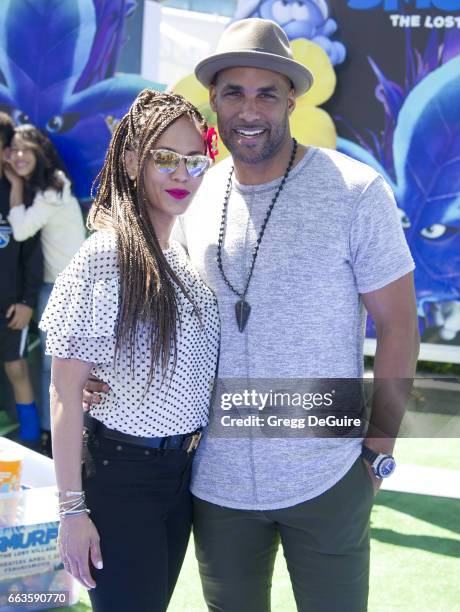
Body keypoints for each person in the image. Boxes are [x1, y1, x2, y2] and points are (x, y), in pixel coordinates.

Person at [84, 19, 420, 612]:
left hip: (329, 473)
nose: (250, 109)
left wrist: (376, 452)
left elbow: (399, 325)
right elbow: (161, 308)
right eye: (234, 92)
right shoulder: (193, 194)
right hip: (216, 482)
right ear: (212, 98)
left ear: (293, 98)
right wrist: (90, 366)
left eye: (267, 92)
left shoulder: (355, 191)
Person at [39, 89, 219, 612]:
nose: (182, 173)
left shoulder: (182, 254)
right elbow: (64, 391)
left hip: (180, 478)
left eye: (194, 160)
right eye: (166, 159)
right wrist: (71, 511)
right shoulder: (107, 255)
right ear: (134, 161)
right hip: (122, 479)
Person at [4, 124, 86, 454]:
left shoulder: (55, 186)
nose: (20, 155)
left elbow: (21, 230)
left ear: (40, 151)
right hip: (51, 286)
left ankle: (63, 437)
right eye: (15, 150)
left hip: (70, 288)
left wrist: (12, 184)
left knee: (60, 366)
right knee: (48, 366)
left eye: (27, 149)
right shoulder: (40, 189)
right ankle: (49, 434)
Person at [0, 113, 42, 444]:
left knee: (16, 368)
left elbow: (31, 254)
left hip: (11, 303)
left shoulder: (18, 194)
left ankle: (30, 441)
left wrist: (27, 301)